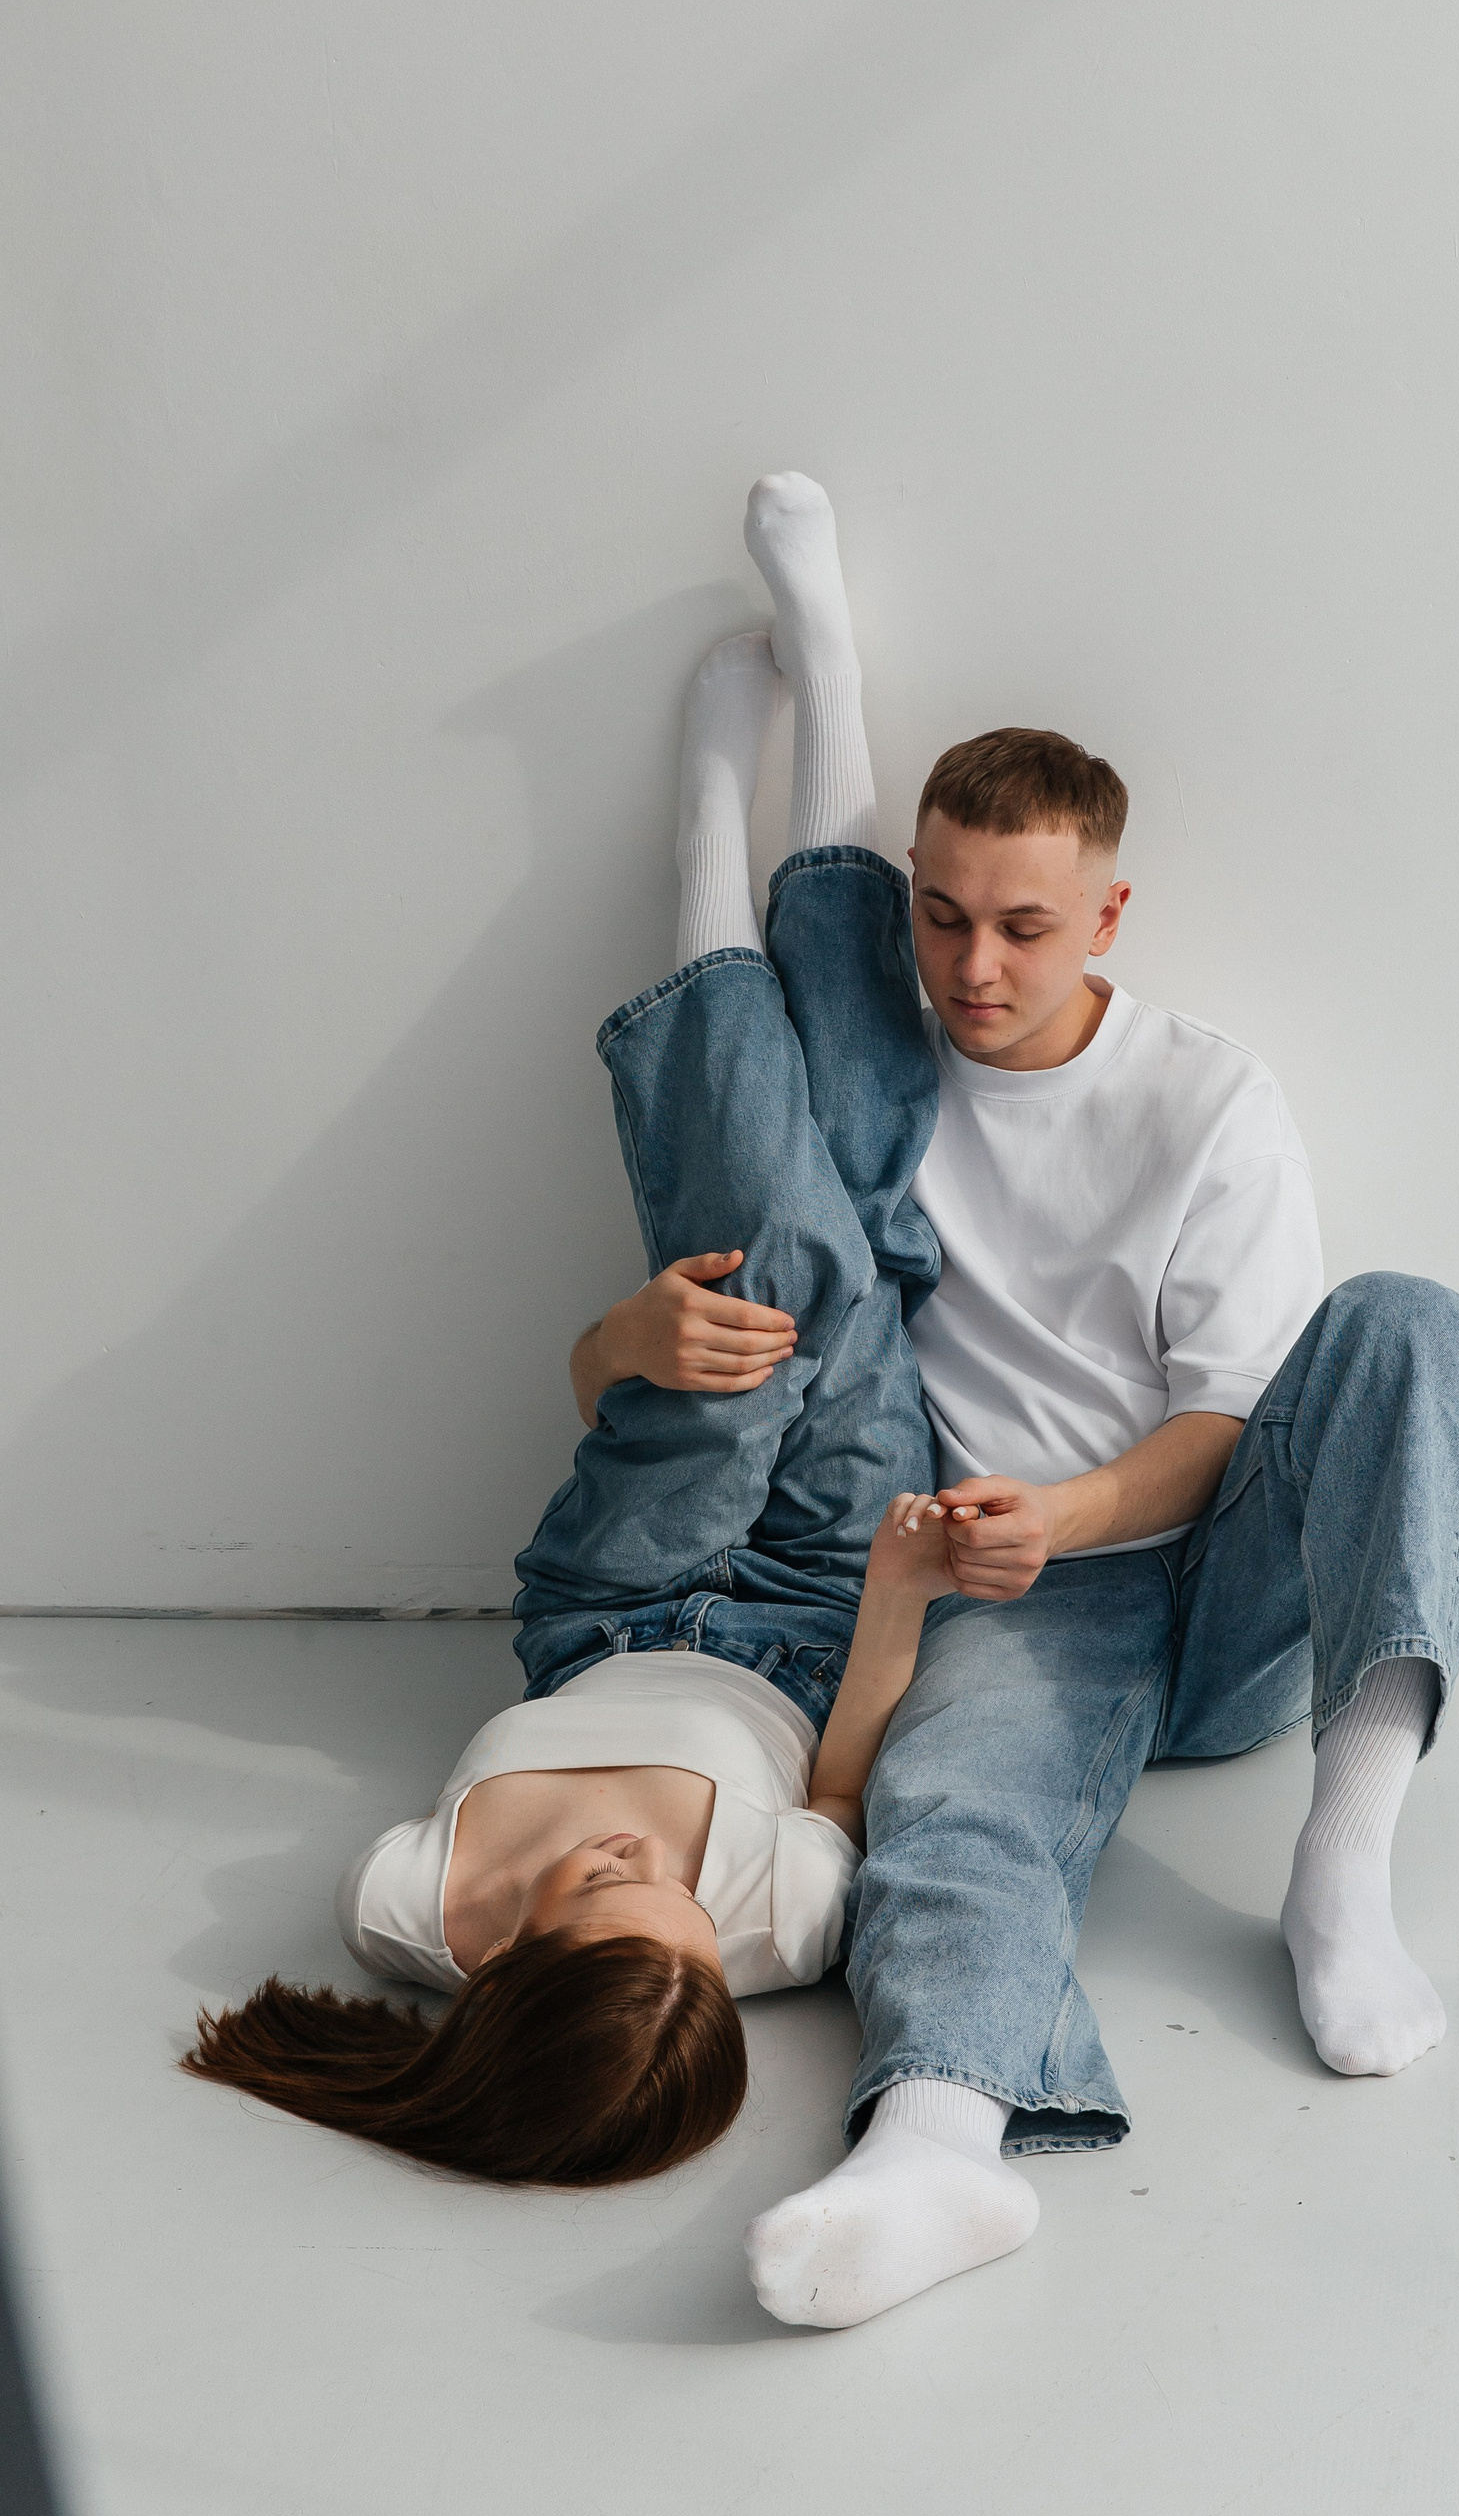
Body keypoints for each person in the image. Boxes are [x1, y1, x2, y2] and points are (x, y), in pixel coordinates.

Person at [579, 475, 1459, 2329]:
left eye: (1021, 926)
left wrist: (1070, 1509)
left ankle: (1344, 1863)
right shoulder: (887, 1077)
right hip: (1006, 1594)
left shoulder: (1205, 1098)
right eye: (939, 920)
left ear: (1105, 914)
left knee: (1410, 1323)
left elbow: (1232, 1422)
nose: (974, 970)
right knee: (950, 1815)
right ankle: (939, 2145)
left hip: (1216, 1577)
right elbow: (826, 940)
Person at [184, 621, 973, 2188]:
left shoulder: (404, 1904)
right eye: (671, 1898)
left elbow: (605, 1413)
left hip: (613, 1600)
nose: (630, 1860)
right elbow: (837, 1782)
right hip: (824, 1595)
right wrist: (897, 1590)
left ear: (500, 1976)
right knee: (856, 1239)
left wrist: (618, 1343)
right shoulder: (779, 1928)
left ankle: (718, 822)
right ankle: (760, 789)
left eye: (598, 1894)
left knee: (772, 1288)